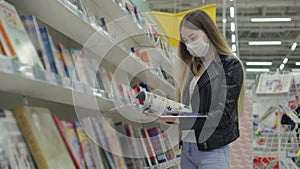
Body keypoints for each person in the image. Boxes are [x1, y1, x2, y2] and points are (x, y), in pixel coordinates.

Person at [147, 10, 245, 169]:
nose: (189, 44)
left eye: (193, 38)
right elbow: (189, 109)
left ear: (208, 32)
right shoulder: (192, 68)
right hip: (187, 148)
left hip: (212, 150)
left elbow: (222, 115)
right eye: (185, 40)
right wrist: (165, 110)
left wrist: (178, 118)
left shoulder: (230, 66)